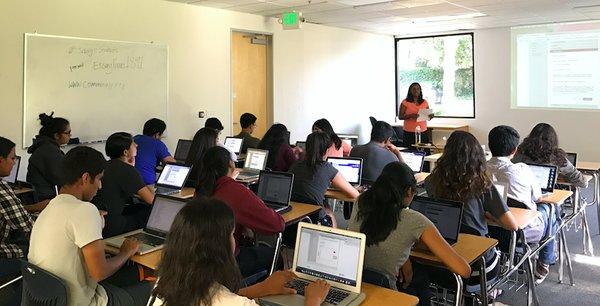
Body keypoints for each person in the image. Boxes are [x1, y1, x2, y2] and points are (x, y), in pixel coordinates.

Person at [28, 146, 152, 306]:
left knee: (133, 274)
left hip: (52, 297)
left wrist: (95, 225)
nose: (100, 186)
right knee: (159, 286)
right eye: (99, 179)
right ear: (86, 178)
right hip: (82, 301)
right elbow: (99, 272)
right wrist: (126, 252)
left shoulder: (52, 206)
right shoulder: (85, 210)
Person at [152, 197, 330, 306]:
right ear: (218, 247)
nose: (234, 239)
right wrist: (312, 301)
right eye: (231, 233)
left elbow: (217, 297)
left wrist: (263, 288)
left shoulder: (164, 285)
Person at [348, 162, 470, 305]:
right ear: (409, 191)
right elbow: (464, 270)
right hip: (388, 295)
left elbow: (380, 234)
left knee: (418, 275)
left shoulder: (361, 202)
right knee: (421, 277)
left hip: (356, 285)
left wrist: (405, 257)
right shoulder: (415, 220)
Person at [425, 131, 518, 294]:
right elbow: (512, 225)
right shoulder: (482, 183)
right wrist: (492, 218)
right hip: (478, 268)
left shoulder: (431, 181)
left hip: (441, 263)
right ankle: (489, 292)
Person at [194, 146, 285, 277]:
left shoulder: (200, 190)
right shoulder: (234, 190)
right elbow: (277, 225)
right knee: (274, 255)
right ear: (231, 165)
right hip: (226, 264)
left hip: (198, 261)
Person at [487, 125, 558, 283]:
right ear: (514, 150)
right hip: (520, 234)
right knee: (549, 209)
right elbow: (538, 198)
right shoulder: (521, 170)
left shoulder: (479, 170)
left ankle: (538, 260)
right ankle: (545, 262)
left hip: (488, 230)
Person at [0, 136, 48, 304]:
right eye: (12, 158)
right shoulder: (2, 188)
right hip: (1, 251)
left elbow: (8, 211)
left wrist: (32, 208)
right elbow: (29, 228)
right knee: (36, 256)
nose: (14, 163)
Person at [289, 132, 359, 228]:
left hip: (293, 218)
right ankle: (331, 238)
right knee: (329, 212)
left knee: (326, 205)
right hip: (315, 220)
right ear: (326, 150)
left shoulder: (295, 165)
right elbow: (355, 194)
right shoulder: (327, 168)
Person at [92, 132, 154, 238]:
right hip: (111, 225)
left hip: (96, 220)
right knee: (150, 212)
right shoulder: (127, 170)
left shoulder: (105, 165)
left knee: (138, 206)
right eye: (133, 143)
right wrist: (133, 169)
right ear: (126, 152)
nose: (136, 145)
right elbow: (151, 200)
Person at [513, 123, 587, 188]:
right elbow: (583, 183)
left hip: (517, 195)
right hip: (543, 199)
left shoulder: (519, 152)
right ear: (553, 140)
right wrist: (563, 177)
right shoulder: (557, 156)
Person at [27, 112, 70, 200]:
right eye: (68, 132)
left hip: (41, 195)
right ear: (57, 135)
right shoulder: (49, 151)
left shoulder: (46, 147)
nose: (70, 135)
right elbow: (63, 179)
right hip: (44, 199)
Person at [134, 118, 176, 185]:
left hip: (129, 181)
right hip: (146, 184)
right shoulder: (158, 144)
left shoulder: (135, 138)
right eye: (161, 134)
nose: (161, 137)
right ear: (157, 134)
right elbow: (173, 165)